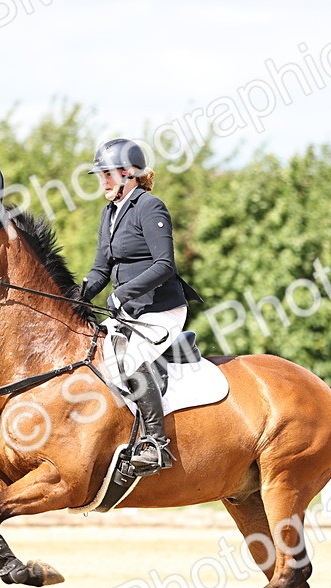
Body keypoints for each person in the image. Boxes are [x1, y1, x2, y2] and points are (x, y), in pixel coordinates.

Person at [75, 138, 202, 475]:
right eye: (100, 174)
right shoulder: (110, 213)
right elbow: (101, 270)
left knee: (131, 360)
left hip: (161, 309)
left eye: (106, 174)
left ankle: (158, 446)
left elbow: (164, 265)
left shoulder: (150, 207)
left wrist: (123, 293)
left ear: (128, 174)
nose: (101, 180)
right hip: (130, 311)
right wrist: (78, 295)